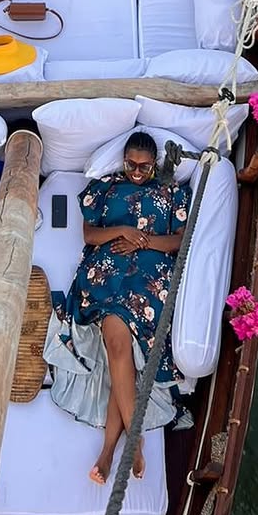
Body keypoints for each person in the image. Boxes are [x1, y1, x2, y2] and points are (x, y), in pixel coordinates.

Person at [45, 133, 189, 485]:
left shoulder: (172, 194)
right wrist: (122, 230)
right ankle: (131, 443)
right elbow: (89, 236)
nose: (137, 171)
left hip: (148, 279)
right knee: (118, 346)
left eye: (144, 166)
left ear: (155, 164)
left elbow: (180, 240)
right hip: (106, 274)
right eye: (130, 164)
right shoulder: (105, 188)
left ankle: (113, 448)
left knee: (118, 351)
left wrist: (145, 242)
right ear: (123, 161)